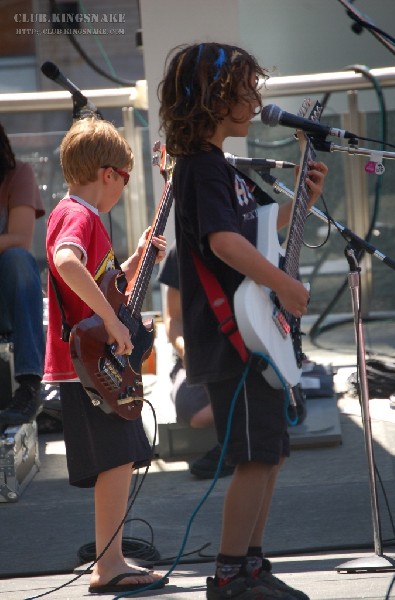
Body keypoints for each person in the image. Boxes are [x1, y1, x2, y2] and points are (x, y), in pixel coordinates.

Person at [158, 42, 328, 600]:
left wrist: (300, 202)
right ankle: (230, 576)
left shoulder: (219, 169)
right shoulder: (203, 168)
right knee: (256, 457)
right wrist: (284, 285)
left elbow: (254, 233)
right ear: (214, 99)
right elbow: (224, 242)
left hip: (248, 332)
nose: (255, 100)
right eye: (245, 90)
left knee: (270, 453)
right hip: (233, 336)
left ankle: (252, 569)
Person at [44, 116, 168, 595]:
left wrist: (132, 262)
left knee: (119, 459)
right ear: (110, 174)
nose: (124, 186)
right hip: (87, 364)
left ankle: (110, 559)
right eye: (127, 177)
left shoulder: (74, 214)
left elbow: (100, 287)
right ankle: (109, 564)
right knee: (116, 460)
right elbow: (66, 261)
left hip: (88, 361)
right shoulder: (79, 216)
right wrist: (115, 324)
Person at [158, 241, 234, 478]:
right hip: (199, 353)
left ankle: (235, 439)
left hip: (249, 349)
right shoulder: (180, 253)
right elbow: (173, 320)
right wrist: (186, 353)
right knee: (194, 412)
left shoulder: (251, 231)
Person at [0, 123, 45, 426]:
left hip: (6, 297)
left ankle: (30, 385)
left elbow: (20, 239)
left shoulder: (19, 174)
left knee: (19, 260)